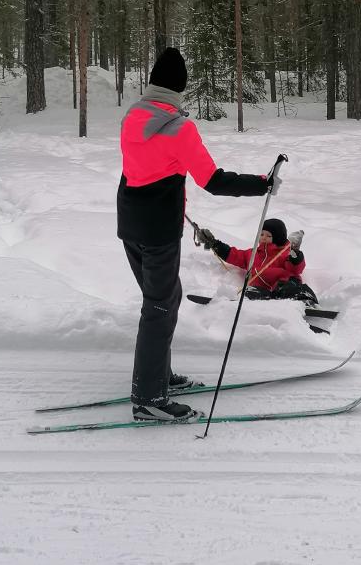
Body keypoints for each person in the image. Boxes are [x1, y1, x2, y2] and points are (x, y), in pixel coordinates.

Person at [117, 47, 276, 423]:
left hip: (130, 223)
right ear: (180, 88)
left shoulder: (133, 116)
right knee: (158, 307)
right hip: (158, 231)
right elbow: (212, 180)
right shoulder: (179, 128)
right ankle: (149, 398)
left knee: (164, 299)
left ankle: (159, 375)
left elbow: (140, 169)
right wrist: (262, 184)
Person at [196, 218, 318, 306]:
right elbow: (233, 255)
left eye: (268, 236)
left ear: (278, 238)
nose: (263, 237)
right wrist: (215, 244)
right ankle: (258, 306)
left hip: (285, 285)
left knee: (287, 288)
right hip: (264, 293)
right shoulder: (252, 254)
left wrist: (296, 257)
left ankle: (304, 301)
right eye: (262, 234)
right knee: (250, 292)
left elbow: (296, 269)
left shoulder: (284, 253)